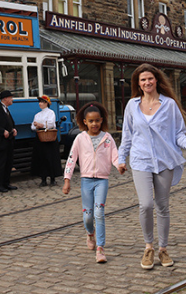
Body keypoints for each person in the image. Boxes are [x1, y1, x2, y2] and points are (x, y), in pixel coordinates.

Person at [118, 63, 186, 270]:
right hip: (140, 160)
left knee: (162, 206)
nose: (147, 83)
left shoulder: (169, 104)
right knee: (145, 204)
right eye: (142, 80)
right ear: (138, 83)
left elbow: (179, 133)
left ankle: (163, 249)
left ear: (157, 80)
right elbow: (127, 136)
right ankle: (148, 247)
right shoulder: (132, 105)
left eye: (150, 79)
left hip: (165, 160)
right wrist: (121, 158)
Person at [63, 102, 127, 263]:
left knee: (99, 213)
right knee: (88, 216)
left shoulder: (107, 138)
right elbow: (72, 159)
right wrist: (67, 180)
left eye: (97, 121)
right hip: (86, 180)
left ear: (101, 120)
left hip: (102, 181)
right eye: (91, 121)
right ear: (85, 122)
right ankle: (90, 233)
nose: (94, 124)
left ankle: (100, 248)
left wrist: (119, 165)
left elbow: (115, 156)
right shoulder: (80, 138)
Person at [30, 95, 62, 186]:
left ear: (47, 103)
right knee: (41, 158)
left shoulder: (51, 113)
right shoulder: (37, 115)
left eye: (42, 102)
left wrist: (41, 125)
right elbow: (32, 126)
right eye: (39, 102)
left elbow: (51, 124)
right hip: (40, 137)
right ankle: (43, 178)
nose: (40, 104)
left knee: (50, 158)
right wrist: (37, 126)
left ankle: (52, 178)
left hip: (49, 137)